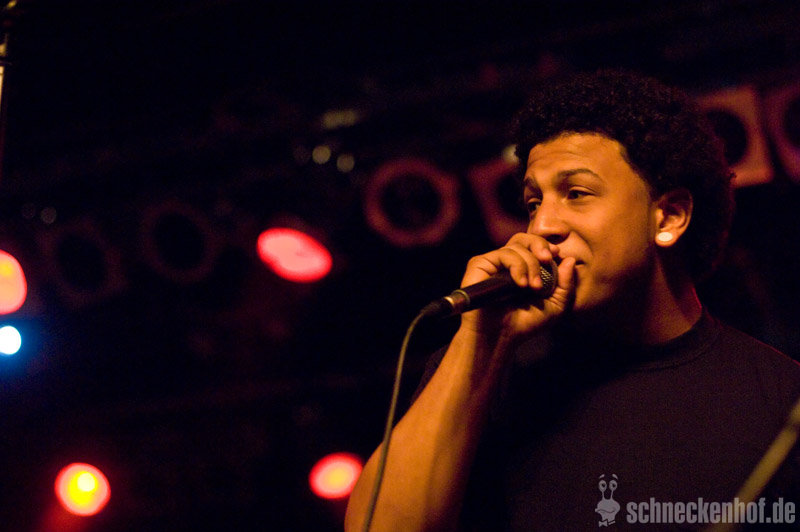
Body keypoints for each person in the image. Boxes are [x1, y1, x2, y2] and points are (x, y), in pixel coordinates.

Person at [344, 69, 800, 531]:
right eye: (533, 202)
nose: (542, 225)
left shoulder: (779, 400)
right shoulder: (484, 369)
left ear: (668, 217)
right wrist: (480, 341)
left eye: (576, 194)